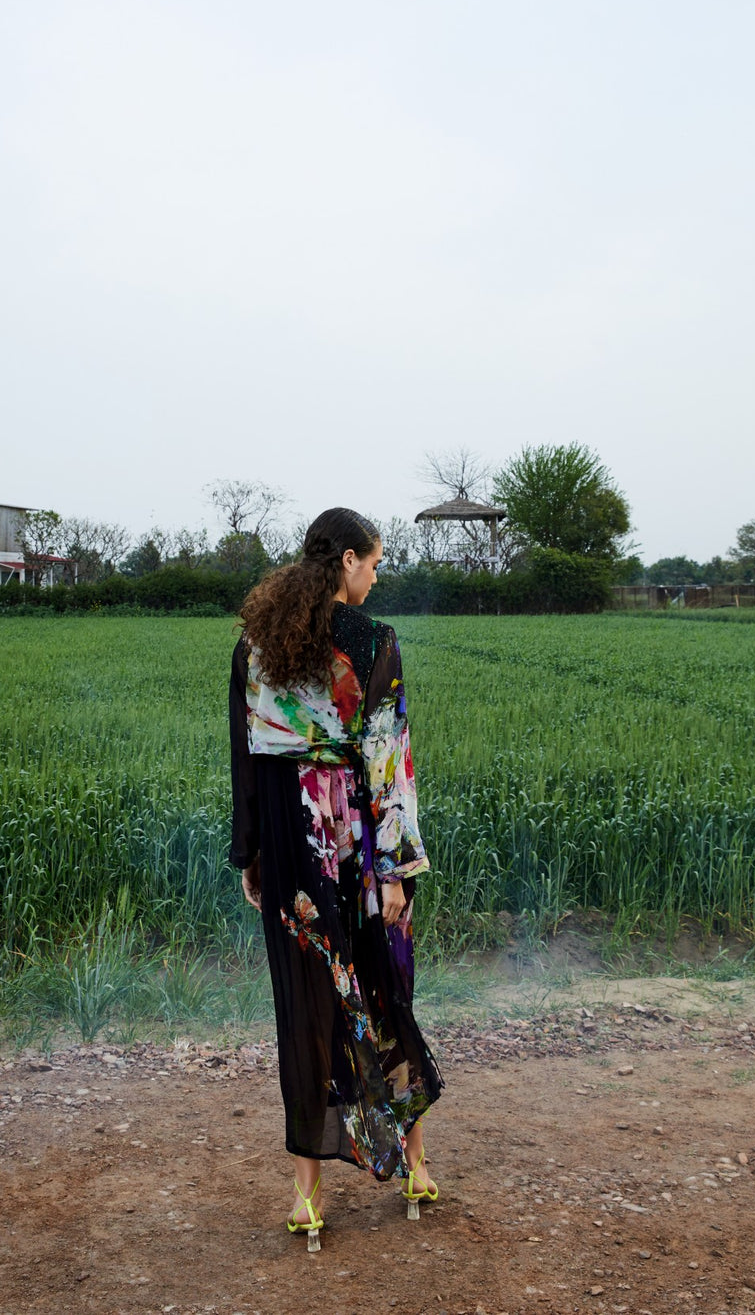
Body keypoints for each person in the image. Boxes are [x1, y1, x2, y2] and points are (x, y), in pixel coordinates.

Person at [228, 506, 444, 1248]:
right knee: (386, 985)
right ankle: (414, 1166)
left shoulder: (255, 643)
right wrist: (396, 871)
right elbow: (389, 762)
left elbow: (248, 759)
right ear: (348, 559)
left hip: (291, 842)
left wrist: (252, 853)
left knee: (305, 1007)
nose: (377, 576)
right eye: (375, 562)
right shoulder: (374, 640)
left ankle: (306, 1196)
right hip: (350, 835)